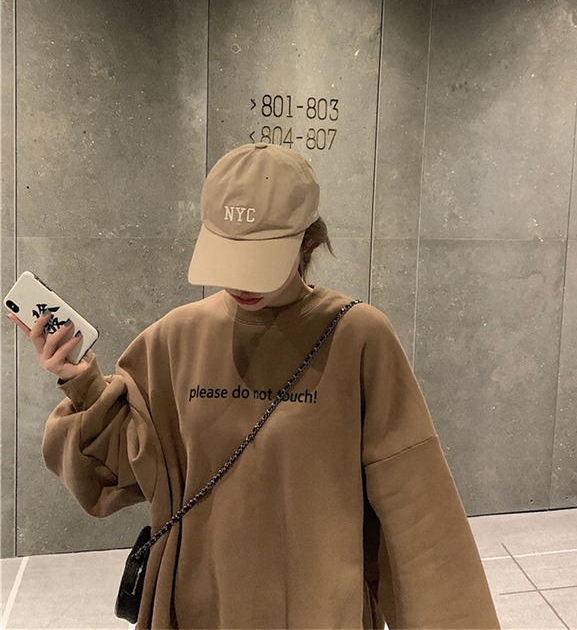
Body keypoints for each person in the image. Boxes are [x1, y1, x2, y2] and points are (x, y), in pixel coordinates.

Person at [9, 143, 501, 629]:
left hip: (318, 611)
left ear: (308, 240)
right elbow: (128, 468)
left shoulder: (358, 338)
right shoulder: (175, 338)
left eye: (260, 258)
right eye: (229, 254)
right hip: (199, 607)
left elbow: (416, 508)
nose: (242, 281)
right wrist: (80, 383)